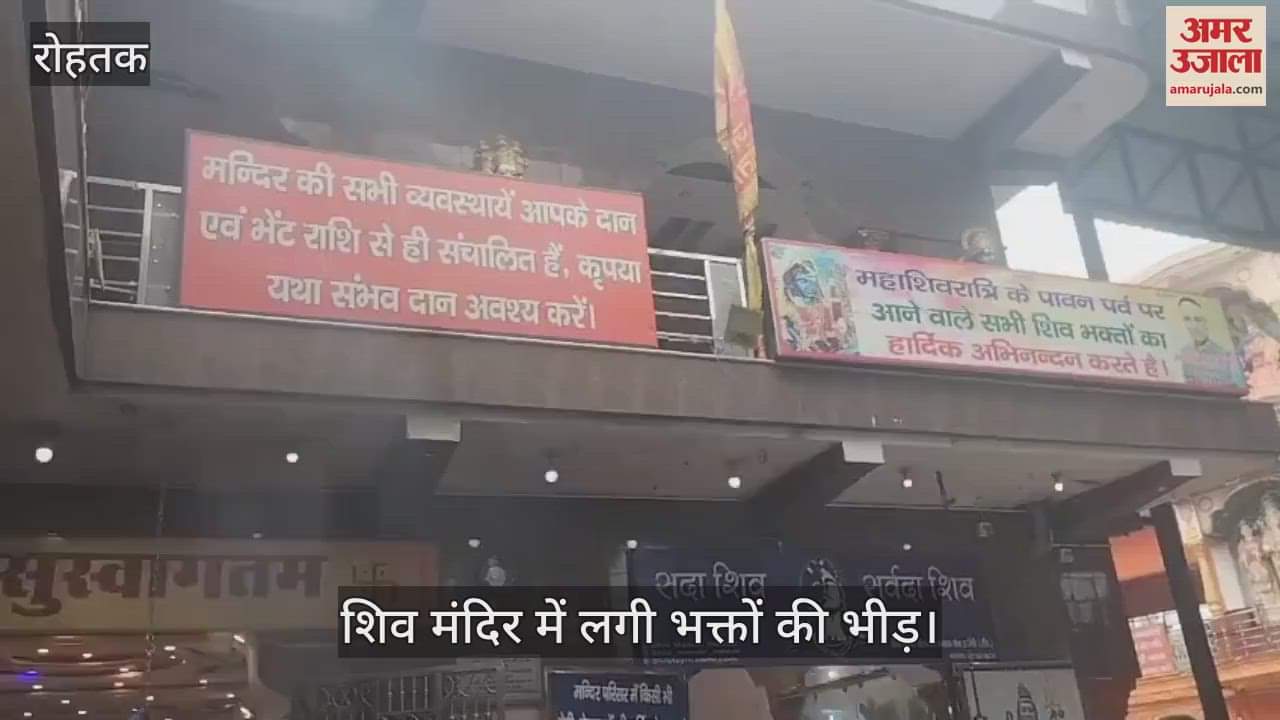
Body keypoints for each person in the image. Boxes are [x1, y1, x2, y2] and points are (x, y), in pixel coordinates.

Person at [1178, 297, 1244, 386]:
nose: (1193, 326)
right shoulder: (1184, 352)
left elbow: (1238, 386)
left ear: (1206, 321)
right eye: (1187, 319)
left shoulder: (1226, 353)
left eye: (1198, 319)